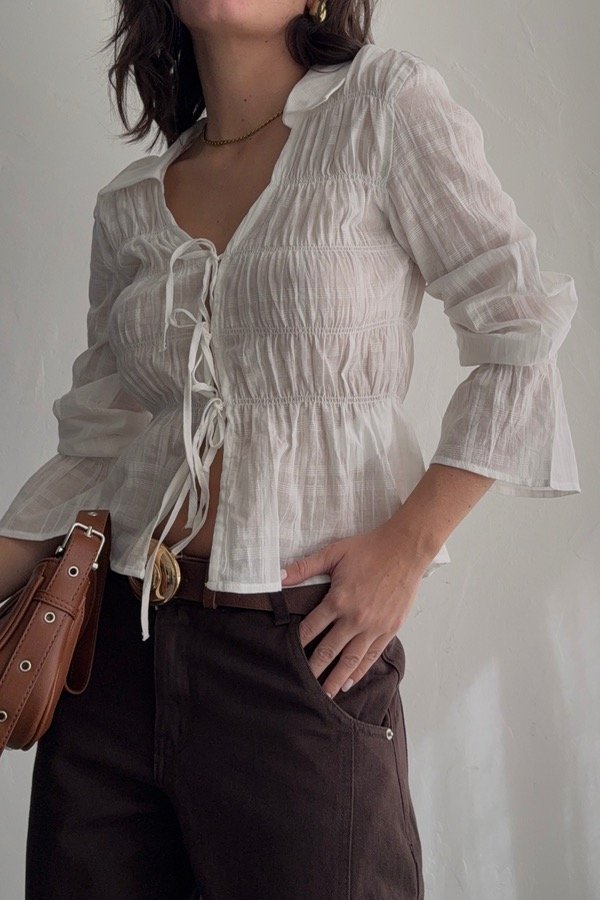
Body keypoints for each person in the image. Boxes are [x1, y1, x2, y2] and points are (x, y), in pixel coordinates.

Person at [0, 1, 581, 897]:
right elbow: (95, 445)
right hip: (110, 659)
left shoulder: (383, 109)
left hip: (302, 653)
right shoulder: (128, 206)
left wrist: (408, 547)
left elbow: (521, 327)